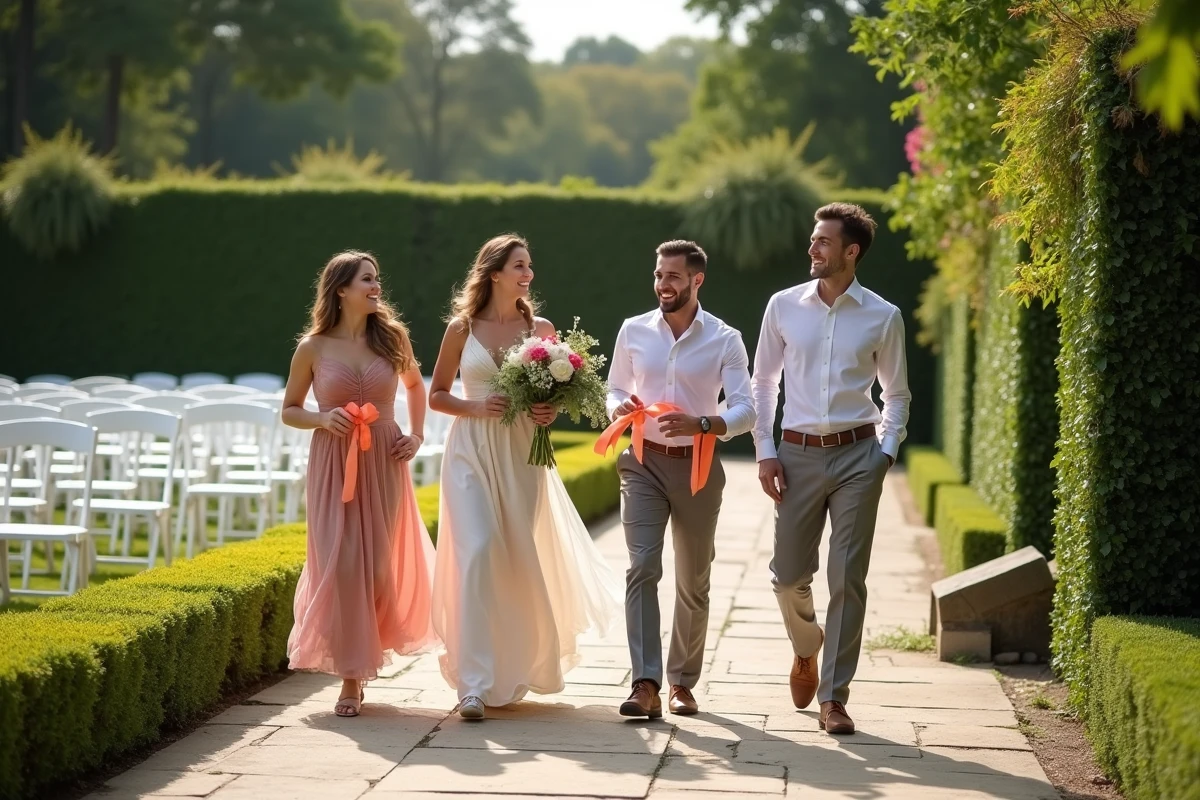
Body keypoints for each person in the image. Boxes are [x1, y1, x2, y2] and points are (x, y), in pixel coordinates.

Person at [428, 233, 623, 720]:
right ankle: (472, 685)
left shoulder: (542, 328)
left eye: (529, 265)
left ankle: (512, 668)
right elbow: (436, 395)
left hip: (522, 455)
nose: (528, 273)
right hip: (470, 450)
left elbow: (556, 397)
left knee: (516, 559)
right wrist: (475, 406)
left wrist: (547, 412)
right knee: (477, 553)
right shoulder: (461, 328)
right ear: (495, 272)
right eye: (519, 265)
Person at [751, 203, 911, 735]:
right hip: (794, 454)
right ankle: (806, 645)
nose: (813, 248)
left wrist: (884, 454)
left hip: (857, 457)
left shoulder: (883, 316)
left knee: (847, 577)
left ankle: (834, 698)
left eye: (823, 242)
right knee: (787, 576)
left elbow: (897, 395)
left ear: (851, 251)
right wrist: (765, 450)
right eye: (813, 239)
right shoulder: (783, 306)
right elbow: (762, 385)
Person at [282, 250, 437, 718]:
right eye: (366, 279)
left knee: (376, 568)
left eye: (377, 278)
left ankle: (367, 653)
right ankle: (351, 678)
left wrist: (415, 434)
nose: (376, 286)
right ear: (341, 289)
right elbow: (289, 409)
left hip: (385, 459)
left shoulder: (393, 337)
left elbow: (415, 385)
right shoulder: (312, 347)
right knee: (343, 562)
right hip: (334, 462)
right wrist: (321, 418)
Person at [605, 240, 755, 719]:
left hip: (698, 468)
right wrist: (619, 407)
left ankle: (682, 682)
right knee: (642, 567)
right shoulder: (633, 331)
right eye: (657, 274)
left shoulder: (725, 339)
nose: (662, 285)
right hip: (642, 462)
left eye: (672, 276)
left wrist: (703, 423)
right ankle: (645, 682)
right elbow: (613, 387)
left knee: (694, 578)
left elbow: (746, 410)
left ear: (697, 280)